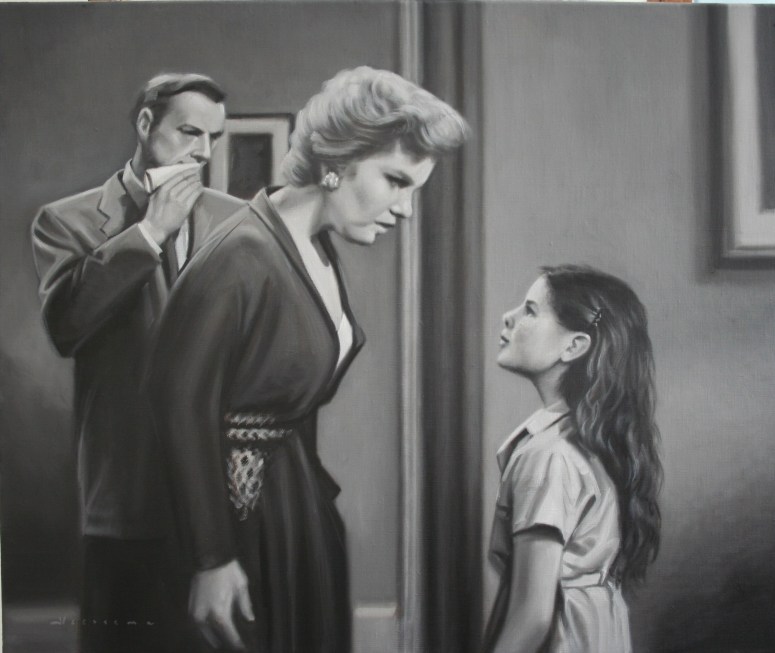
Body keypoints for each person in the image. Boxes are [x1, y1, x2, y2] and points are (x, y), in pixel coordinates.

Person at [147, 66, 469, 652]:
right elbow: (177, 405)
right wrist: (211, 557)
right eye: (395, 181)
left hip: (294, 517)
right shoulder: (240, 254)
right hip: (240, 531)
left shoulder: (313, 246)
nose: (405, 209)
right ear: (336, 163)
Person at [31, 73, 245, 653]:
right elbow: (67, 327)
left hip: (222, 497)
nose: (203, 152)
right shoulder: (65, 221)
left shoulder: (238, 219)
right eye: (190, 132)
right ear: (146, 124)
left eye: (214, 138)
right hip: (126, 496)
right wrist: (150, 232)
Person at [482, 265, 662, 653]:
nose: (508, 317)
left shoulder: (549, 457)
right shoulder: (585, 441)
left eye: (530, 310)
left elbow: (532, 617)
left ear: (574, 346)